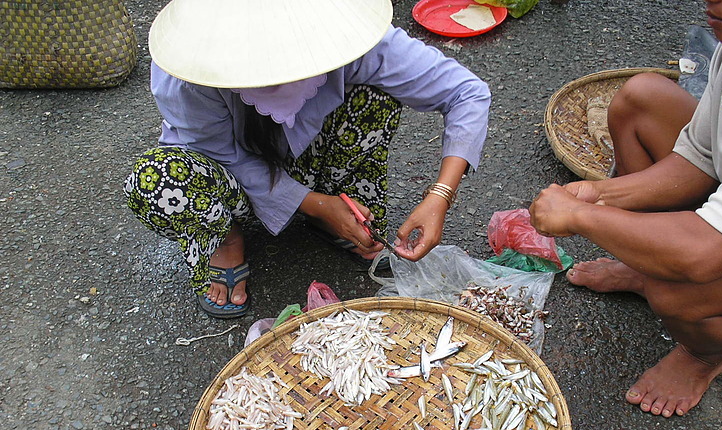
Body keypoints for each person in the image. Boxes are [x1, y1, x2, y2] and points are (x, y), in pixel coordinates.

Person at [124, 0, 490, 318]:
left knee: (374, 96)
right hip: (225, 177)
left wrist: (439, 196)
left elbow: (466, 93)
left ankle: (336, 204)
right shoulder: (187, 74)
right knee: (158, 180)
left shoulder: (349, 39)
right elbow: (222, 154)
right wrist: (316, 204)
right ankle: (226, 238)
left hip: (307, 158)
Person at [530, 0, 722, 418]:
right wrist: (599, 196)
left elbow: (700, 253)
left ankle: (703, 356)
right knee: (641, 98)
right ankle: (647, 270)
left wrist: (583, 217)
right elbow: (699, 159)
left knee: (675, 278)